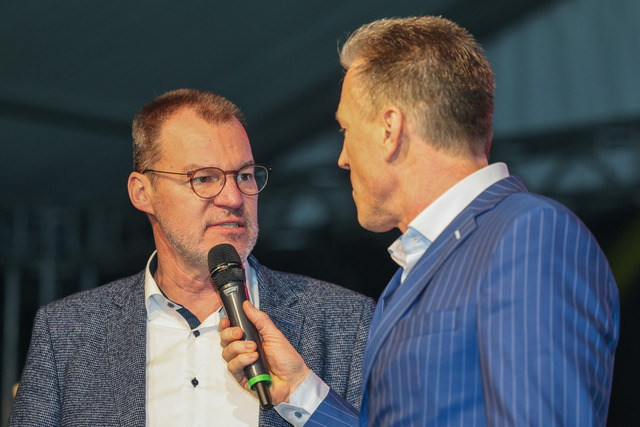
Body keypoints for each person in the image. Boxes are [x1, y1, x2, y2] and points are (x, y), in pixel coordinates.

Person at [220, 16, 620, 426]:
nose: (342, 158)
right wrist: (301, 392)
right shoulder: (415, 271)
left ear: (390, 130)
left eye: (345, 129)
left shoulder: (529, 234)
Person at [8, 89, 375, 426]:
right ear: (142, 192)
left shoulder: (345, 320)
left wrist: (303, 396)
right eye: (204, 178)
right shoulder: (67, 331)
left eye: (245, 175)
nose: (233, 198)